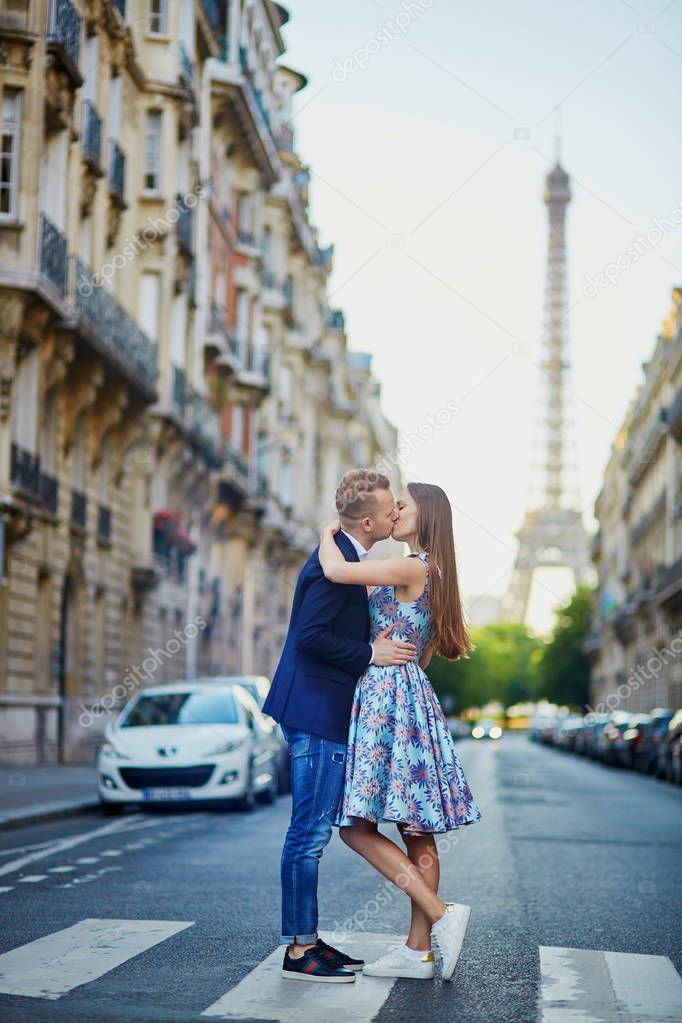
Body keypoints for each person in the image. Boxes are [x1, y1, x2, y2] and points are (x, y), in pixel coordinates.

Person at [317, 482, 482, 982]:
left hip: (386, 696)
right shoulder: (433, 572)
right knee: (418, 830)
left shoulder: (412, 566)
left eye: (402, 505)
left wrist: (330, 530)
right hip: (411, 694)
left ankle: (439, 913)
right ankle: (418, 951)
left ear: (424, 515)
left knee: (355, 828)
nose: (394, 511)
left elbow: (335, 569)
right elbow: (424, 650)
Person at [262, 469, 418, 983]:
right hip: (315, 711)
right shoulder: (336, 563)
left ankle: (306, 938)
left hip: (320, 709)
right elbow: (309, 639)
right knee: (307, 834)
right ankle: (298, 950)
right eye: (392, 507)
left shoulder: (347, 556)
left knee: (312, 833)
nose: (398, 512)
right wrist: (371, 652)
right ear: (370, 521)